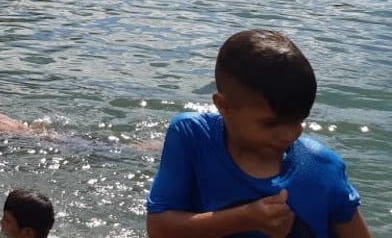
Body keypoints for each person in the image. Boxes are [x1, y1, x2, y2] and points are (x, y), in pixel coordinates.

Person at [146, 29, 369, 238]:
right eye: (271, 124)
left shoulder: (322, 170)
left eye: (299, 120)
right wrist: (246, 218)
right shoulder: (192, 135)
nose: (290, 135)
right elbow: (158, 228)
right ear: (223, 106)